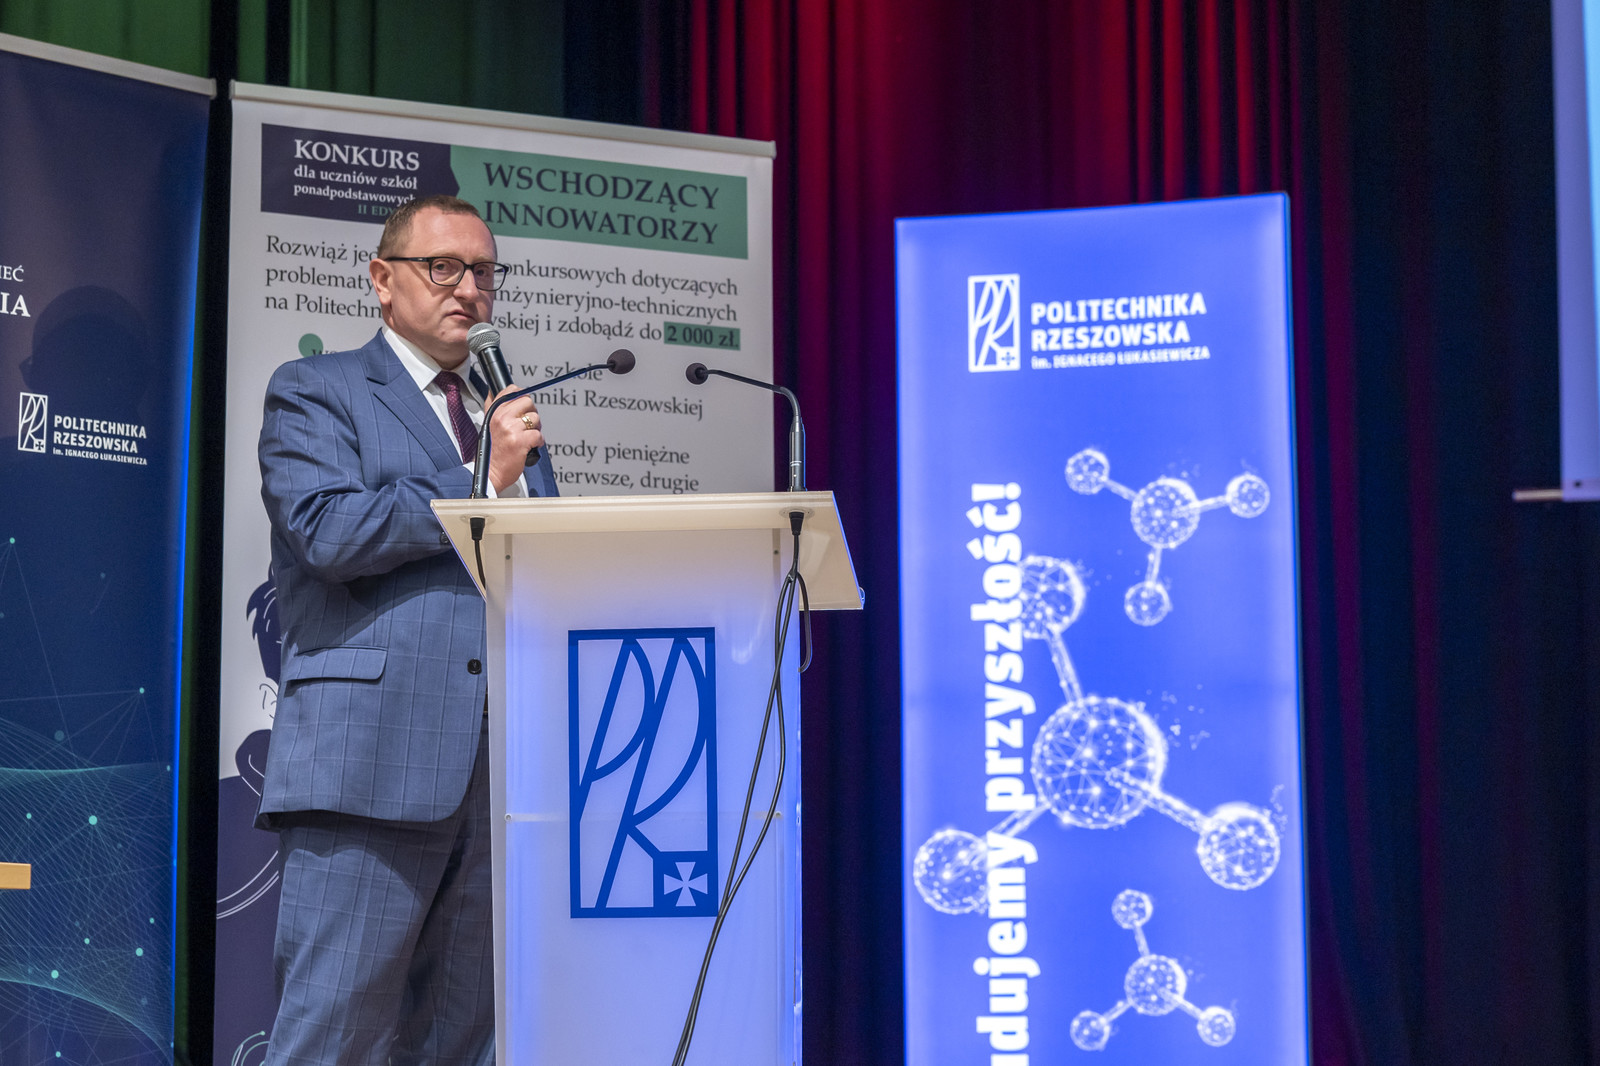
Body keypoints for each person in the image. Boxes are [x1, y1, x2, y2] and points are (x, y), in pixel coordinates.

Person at [256, 194, 553, 1065]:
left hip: (499, 779)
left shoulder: (504, 411)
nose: (469, 289)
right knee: (330, 1040)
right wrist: (482, 478)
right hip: (371, 767)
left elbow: (541, 561)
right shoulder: (317, 389)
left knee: (466, 1044)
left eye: (484, 272)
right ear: (383, 280)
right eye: (444, 267)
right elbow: (327, 531)